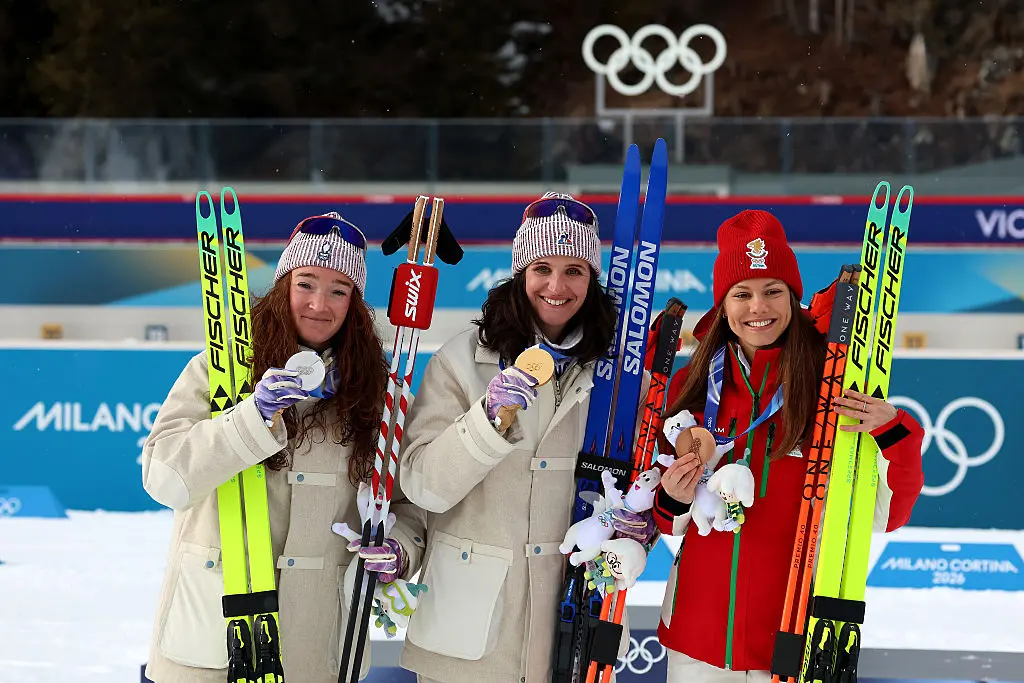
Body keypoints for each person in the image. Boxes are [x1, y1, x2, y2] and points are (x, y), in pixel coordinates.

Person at [141, 212, 426, 683]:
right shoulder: (220, 369)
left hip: (315, 644)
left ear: (354, 304)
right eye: (306, 283)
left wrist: (399, 548)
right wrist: (251, 416)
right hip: (208, 637)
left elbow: (407, 505)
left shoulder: (378, 393)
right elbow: (164, 478)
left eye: (339, 289)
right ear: (282, 288)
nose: (320, 303)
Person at [651, 210, 926, 682]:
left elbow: (889, 514)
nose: (758, 307)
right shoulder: (692, 385)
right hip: (696, 641)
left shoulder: (832, 383)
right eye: (742, 293)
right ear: (724, 304)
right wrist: (672, 496)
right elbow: (668, 521)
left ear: (793, 297)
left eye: (772, 290)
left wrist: (894, 431)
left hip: (792, 640)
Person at [395, 192, 642, 682]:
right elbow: (422, 486)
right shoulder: (462, 361)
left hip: (578, 630)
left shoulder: (618, 374)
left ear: (592, 279)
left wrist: (637, 535)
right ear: (519, 273)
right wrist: (486, 420)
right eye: (542, 268)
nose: (557, 285)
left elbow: (636, 491)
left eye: (575, 270)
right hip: (469, 637)